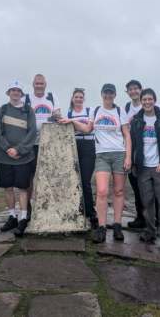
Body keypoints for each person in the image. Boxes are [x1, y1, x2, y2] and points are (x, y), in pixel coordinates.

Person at [66, 84, 131, 243]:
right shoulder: (96, 110)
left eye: (111, 93)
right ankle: (102, 227)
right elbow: (88, 129)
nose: (108, 95)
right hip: (101, 155)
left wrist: (128, 157)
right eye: (105, 93)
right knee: (102, 191)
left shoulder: (119, 111)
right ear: (102, 94)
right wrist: (72, 122)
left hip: (119, 154)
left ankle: (117, 225)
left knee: (119, 191)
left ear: (114, 95)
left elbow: (127, 136)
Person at [130, 88, 160, 250]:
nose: (147, 102)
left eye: (150, 99)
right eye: (144, 100)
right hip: (143, 168)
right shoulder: (136, 120)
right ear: (141, 102)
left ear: (154, 101)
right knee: (147, 203)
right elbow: (134, 144)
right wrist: (135, 163)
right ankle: (150, 231)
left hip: (159, 168)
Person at [0, 80, 37, 237]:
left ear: (21, 93)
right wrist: (7, 149)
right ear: (8, 93)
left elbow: (32, 133)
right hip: (5, 157)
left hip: (23, 157)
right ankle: (12, 216)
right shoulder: (2, 109)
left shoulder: (28, 110)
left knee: (23, 188)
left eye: (18, 90)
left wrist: (18, 149)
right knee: (8, 187)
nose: (15, 93)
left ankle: (23, 218)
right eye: (12, 90)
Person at [24, 74, 61, 219]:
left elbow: (57, 114)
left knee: (48, 176)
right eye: (37, 83)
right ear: (33, 84)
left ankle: (48, 205)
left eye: (41, 83)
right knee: (29, 177)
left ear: (45, 84)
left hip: (48, 143)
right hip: (30, 143)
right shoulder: (26, 99)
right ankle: (27, 208)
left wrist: (55, 117)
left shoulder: (52, 97)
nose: (39, 86)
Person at [60, 88, 98, 228]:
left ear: (84, 99)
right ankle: (78, 208)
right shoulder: (68, 113)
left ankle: (91, 212)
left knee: (85, 180)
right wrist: (78, 125)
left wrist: (73, 123)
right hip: (74, 146)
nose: (78, 99)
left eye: (81, 97)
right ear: (72, 98)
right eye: (76, 97)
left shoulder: (90, 111)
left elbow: (89, 129)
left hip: (88, 145)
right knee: (75, 180)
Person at [123, 79, 145, 229]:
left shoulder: (149, 104)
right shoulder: (126, 108)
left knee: (149, 189)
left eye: (136, 89)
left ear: (141, 89)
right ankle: (140, 218)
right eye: (130, 89)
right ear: (127, 92)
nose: (133, 91)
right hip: (132, 150)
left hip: (148, 152)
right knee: (136, 187)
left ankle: (153, 220)